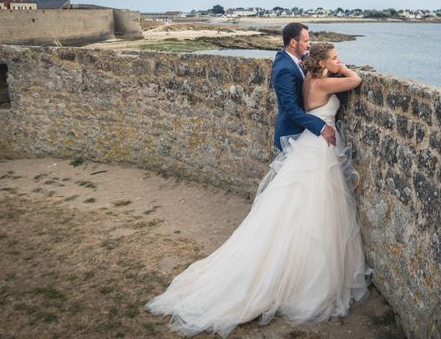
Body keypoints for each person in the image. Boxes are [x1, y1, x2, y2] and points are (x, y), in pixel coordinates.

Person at [145, 41, 369, 337]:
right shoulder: (324, 82)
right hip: (319, 148)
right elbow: (356, 81)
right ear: (323, 63)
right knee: (315, 209)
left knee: (299, 209)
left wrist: (334, 66)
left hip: (312, 144)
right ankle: (305, 280)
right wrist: (344, 68)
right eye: (335, 57)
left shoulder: (311, 81)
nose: (339, 60)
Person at [271, 22, 336, 150]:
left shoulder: (290, 58)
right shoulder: (284, 69)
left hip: (302, 132)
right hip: (291, 134)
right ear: (293, 43)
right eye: (306, 41)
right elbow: (291, 109)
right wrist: (321, 127)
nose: (309, 45)